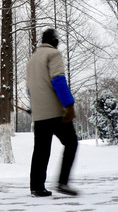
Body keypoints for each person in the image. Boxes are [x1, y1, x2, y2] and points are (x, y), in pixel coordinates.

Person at [26, 28, 78, 197]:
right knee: (71, 143)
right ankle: (62, 183)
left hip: (40, 115)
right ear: (55, 42)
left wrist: (35, 105)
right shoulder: (54, 55)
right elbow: (58, 80)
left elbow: (30, 89)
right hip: (55, 112)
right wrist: (69, 105)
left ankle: (37, 187)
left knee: (41, 150)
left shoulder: (32, 59)